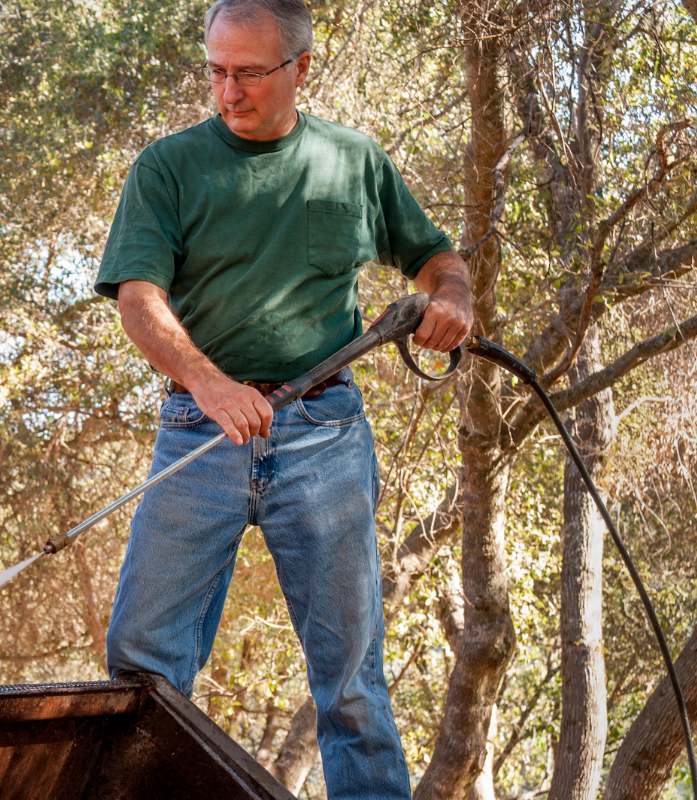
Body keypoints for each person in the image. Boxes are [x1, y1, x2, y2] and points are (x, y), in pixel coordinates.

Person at [94, 0, 473, 796]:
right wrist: (209, 382)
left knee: (352, 683)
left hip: (324, 438)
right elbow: (138, 298)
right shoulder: (167, 168)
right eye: (216, 72)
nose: (228, 92)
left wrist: (453, 299)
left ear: (301, 68)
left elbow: (436, 258)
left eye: (248, 74)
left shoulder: (353, 160)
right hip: (198, 435)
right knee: (140, 667)